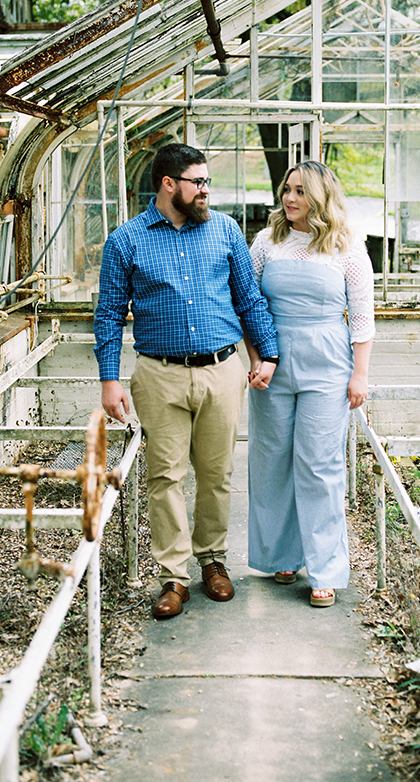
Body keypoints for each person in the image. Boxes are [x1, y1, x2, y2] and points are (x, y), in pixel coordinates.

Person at [94, 143, 278, 619]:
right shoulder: (126, 241)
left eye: (207, 181)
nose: (205, 190)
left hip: (222, 370)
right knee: (165, 477)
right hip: (159, 375)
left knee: (217, 474)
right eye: (198, 181)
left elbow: (249, 299)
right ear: (168, 184)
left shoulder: (225, 230)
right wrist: (109, 380)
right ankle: (173, 576)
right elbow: (110, 314)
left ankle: (213, 561)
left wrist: (269, 353)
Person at [246, 161, 374, 607]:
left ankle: (324, 568)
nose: (290, 198)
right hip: (275, 361)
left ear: (319, 197)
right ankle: (283, 555)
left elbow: (361, 315)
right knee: (272, 458)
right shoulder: (267, 242)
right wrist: (257, 359)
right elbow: (250, 303)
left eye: (300, 191)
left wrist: (359, 374)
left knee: (320, 464)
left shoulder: (347, 246)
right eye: (287, 189)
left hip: (328, 362)